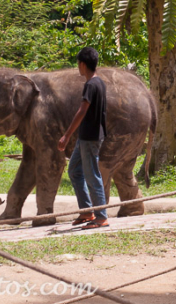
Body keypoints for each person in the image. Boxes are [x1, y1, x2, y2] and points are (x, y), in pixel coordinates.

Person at [58, 47, 109, 229]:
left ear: (83, 64)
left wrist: (66, 136)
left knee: (92, 175)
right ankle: (87, 211)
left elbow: (82, 111)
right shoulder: (99, 83)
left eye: (78, 64)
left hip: (90, 138)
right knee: (74, 171)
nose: (77, 67)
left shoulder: (91, 85)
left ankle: (101, 216)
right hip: (86, 137)